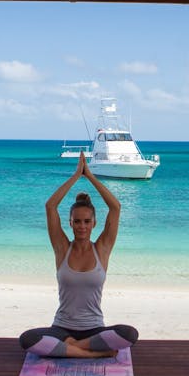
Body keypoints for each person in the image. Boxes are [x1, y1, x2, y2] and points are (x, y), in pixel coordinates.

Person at [18, 153, 139, 358]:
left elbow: (115, 207)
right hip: (62, 328)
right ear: (70, 223)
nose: (82, 226)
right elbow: (50, 206)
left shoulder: (102, 249)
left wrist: (90, 176)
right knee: (27, 339)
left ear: (94, 223)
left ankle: (73, 348)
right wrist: (76, 176)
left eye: (86, 221)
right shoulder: (62, 249)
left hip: (94, 329)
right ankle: (91, 354)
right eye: (77, 221)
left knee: (129, 334)